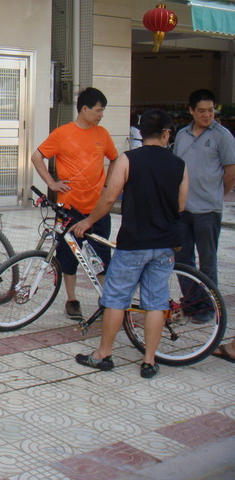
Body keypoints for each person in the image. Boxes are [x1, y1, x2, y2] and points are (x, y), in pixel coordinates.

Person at [72, 109, 188, 379]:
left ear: (141, 133)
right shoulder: (179, 164)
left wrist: (88, 221)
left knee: (115, 299)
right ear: (167, 133)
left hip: (133, 242)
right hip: (165, 244)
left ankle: (103, 354)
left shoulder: (128, 159)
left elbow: (110, 197)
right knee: (156, 302)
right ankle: (149, 360)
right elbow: (181, 205)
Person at [30, 87, 118, 321]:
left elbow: (115, 159)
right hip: (69, 208)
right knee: (68, 255)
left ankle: (106, 299)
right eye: (98, 110)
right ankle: (72, 299)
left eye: (103, 111)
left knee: (102, 255)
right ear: (84, 109)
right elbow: (37, 156)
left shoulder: (103, 135)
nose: (101, 115)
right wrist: (52, 183)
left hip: (97, 208)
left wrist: (108, 186)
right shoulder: (62, 134)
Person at [173, 89, 235, 323]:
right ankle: (191, 303)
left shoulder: (222, 136)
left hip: (208, 211)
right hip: (183, 209)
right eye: (201, 111)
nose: (207, 115)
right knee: (182, 260)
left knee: (207, 262)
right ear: (191, 111)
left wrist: (216, 195)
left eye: (211, 110)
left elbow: (230, 172)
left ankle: (209, 307)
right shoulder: (182, 135)